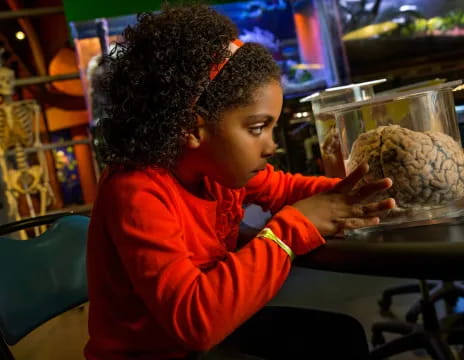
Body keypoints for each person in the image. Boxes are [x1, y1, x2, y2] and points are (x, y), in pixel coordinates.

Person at [85, 5, 396, 360]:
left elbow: (283, 187)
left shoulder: (214, 171)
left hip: (204, 342)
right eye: (257, 128)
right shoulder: (136, 191)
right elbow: (196, 322)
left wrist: (352, 193)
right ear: (191, 128)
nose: (272, 145)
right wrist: (290, 230)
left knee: (337, 337)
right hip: (162, 352)